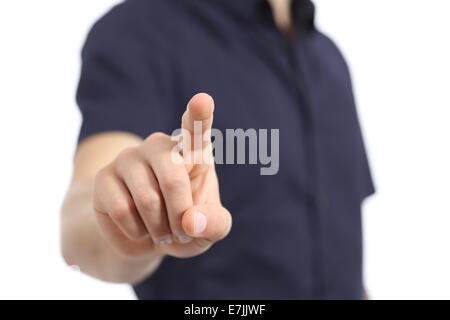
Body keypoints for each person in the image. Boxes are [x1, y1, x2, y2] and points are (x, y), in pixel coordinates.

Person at [61, 0, 375, 299]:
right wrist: (129, 224)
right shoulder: (137, 31)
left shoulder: (330, 60)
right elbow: (84, 217)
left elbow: (343, 249)